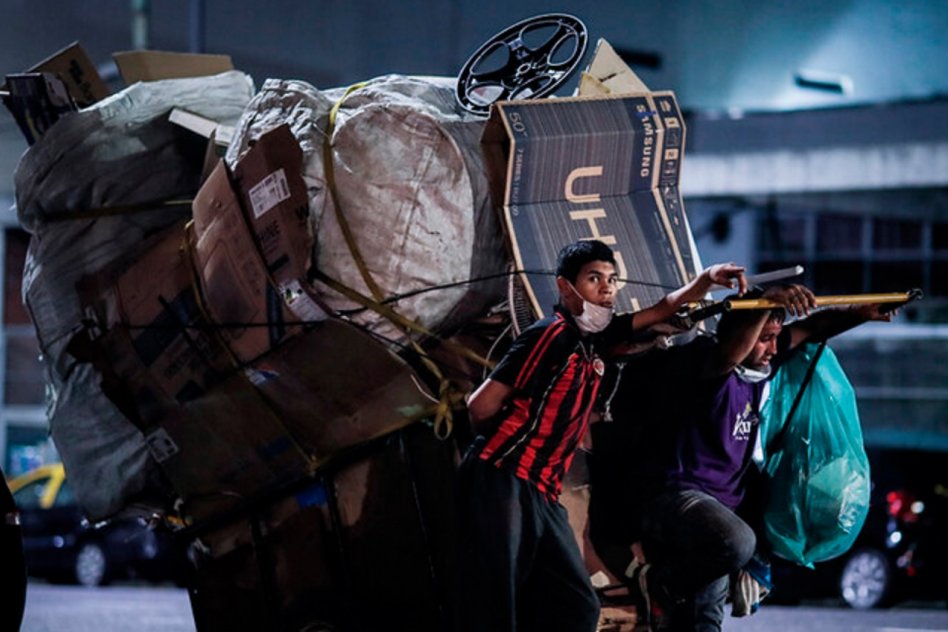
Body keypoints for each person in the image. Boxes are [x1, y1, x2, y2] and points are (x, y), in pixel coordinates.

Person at [454, 239, 747, 632]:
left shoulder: (595, 338)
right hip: (505, 477)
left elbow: (662, 309)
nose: (607, 288)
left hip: (543, 488)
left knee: (576, 604)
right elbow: (480, 406)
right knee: (495, 601)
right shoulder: (549, 335)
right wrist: (507, 455)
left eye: (611, 279)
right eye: (594, 278)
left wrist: (706, 279)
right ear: (565, 287)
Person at [624, 284, 896, 632]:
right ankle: (661, 584)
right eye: (765, 338)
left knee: (705, 619)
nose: (773, 348)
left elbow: (812, 328)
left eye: (776, 337)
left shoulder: (757, 363)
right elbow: (729, 354)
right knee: (737, 542)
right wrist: (767, 302)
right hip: (676, 499)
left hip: (719, 510)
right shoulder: (708, 364)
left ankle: (673, 600)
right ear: (741, 332)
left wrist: (860, 313)